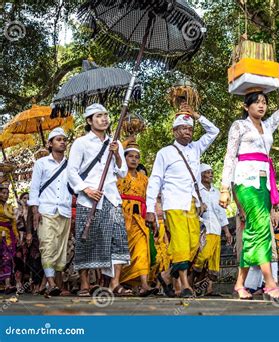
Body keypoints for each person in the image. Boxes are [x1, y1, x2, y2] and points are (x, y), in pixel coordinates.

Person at [219, 80, 279, 300]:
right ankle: (270, 283)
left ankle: (240, 284)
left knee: (254, 230)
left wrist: (277, 82)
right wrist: (224, 187)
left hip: (265, 183)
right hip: (245, 182)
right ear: (246, 106)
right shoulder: (239, 126)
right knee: (260, 227)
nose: (261, 106)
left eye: (264, 102)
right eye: (256, 102)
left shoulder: (269, 125)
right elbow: (230, 156)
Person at [145, 104, 219, 298]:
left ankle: (167, 275)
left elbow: (214, 131)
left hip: (192, 205)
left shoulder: (196, 148)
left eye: (190, 129)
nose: (188, 132)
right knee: (180, 244)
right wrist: (150, 206)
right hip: (173, 204)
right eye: (184, 129)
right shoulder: (165, 152)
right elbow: (155, 180)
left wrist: (197, 115)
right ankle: (185, 285)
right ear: (175, 131)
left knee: (194, 244)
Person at [67, 103, 131, 297]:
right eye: (98, 116)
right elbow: (71, 172)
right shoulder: (81, 143)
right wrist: (86, 189)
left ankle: (115, 283)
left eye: (105, 115)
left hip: (111, 198)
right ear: (89, 121)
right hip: (89, 199)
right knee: (87, 240)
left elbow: (122, 172)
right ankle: (85, 284)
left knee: (119, 239)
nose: (104, 119)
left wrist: (118, 154)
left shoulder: (116, 142)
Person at [28, 127, 72, 296]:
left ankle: (56, 285)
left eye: (64, 139)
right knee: (47, 246)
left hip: (65, 211)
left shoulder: (71, 164)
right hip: (46, 210)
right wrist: (35, 209)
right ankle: (51, 283)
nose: (62, 142)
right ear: (50, 143)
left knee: (61, 249)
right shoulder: (41, 163)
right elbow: (34, 189)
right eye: (58, 139)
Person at [117, 140, 155, 296]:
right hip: (121, 216)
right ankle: (118, 282)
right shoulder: (118, 175)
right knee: (121, 251)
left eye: (136, 157)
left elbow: (149, 198)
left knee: (142, 250)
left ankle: (145, 284)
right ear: (124, 158)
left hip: (139, 218)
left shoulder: (144, 179)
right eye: (130, 156)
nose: (133, 159)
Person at [192, 164, 232, 295]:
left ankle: (209, 289)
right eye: (208, 172)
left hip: (216, 229)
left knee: (213, 261)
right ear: (201, 175)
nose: (210, 175)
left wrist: (226, 231)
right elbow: (193, 210)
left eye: (211, 172)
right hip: (203, 229)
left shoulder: (216, 192)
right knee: (203, 256)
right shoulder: (196, 191)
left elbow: (221, 213)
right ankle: (191, 282)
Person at [0, 183, 18, 294]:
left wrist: (17, 235)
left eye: (7, 193)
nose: (5, 195)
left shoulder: (10, 207)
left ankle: (7, 285)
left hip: (7, 237)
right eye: (3, 192)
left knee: (6, 259)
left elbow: (14, 223)